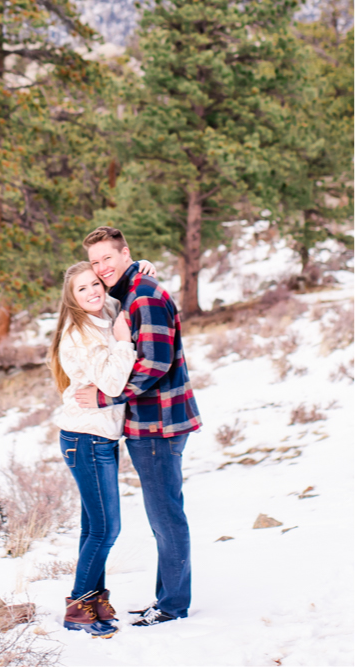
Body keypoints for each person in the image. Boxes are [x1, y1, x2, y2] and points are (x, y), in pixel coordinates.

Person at [71, 225, 201, 627]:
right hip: (152, 422)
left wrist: (105, 398)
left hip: (158, 424)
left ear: (125, 253)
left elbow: (155, 364)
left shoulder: (142, 295)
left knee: (165, 517)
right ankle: (168, 599)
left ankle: (173, 605)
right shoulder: (131, 290)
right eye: (95, 262)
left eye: (108, 258)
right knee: (164, 514)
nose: (101, 268)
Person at [46, 261, 136, 637]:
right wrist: (123, 342)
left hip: (100, 436)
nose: (92, 292)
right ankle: (78, 606)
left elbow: (124, 284)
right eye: (81, 289)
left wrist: (141, 268)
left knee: (92, 527)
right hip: (86, 438)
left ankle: (94, 601)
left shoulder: (107, 310)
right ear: (72, 298)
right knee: (106, 528)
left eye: (95, 283)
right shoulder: (79, 333)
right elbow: (112, 384)